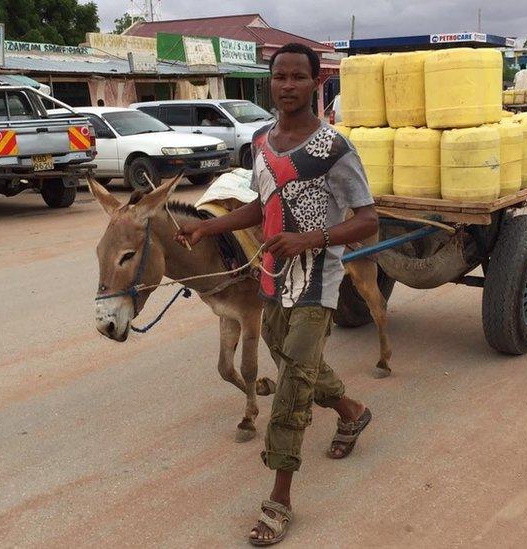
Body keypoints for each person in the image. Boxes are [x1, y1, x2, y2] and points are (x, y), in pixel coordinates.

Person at [176, 42, 378, 546]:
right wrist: (208, 227)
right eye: (280, 76)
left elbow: (368, 219)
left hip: (316, 284)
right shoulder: (261, 143)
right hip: (271, 280)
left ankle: (278, 501)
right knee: (295, 361)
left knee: (291, 390)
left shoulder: (335, 148)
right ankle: (352, 411)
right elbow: (261, 205)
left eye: (298, 77)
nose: (288, 85)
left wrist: (309, 239)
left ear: (316, 83)